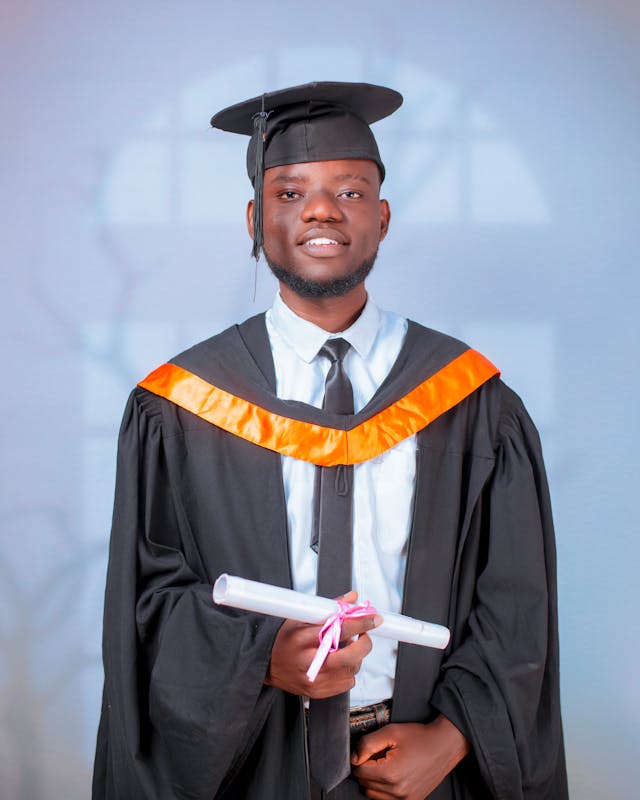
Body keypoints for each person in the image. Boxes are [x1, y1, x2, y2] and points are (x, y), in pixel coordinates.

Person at [93, 82, 568, 800]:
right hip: (251, 767)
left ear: (380, 219)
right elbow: (148, 603)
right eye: (290, 193)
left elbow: (515, 602)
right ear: (255, 221)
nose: (319, 209)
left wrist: (451, 739)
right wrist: (254, 659)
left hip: (420, 765)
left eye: (348, 192)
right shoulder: (182, 407)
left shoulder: (471, 402)